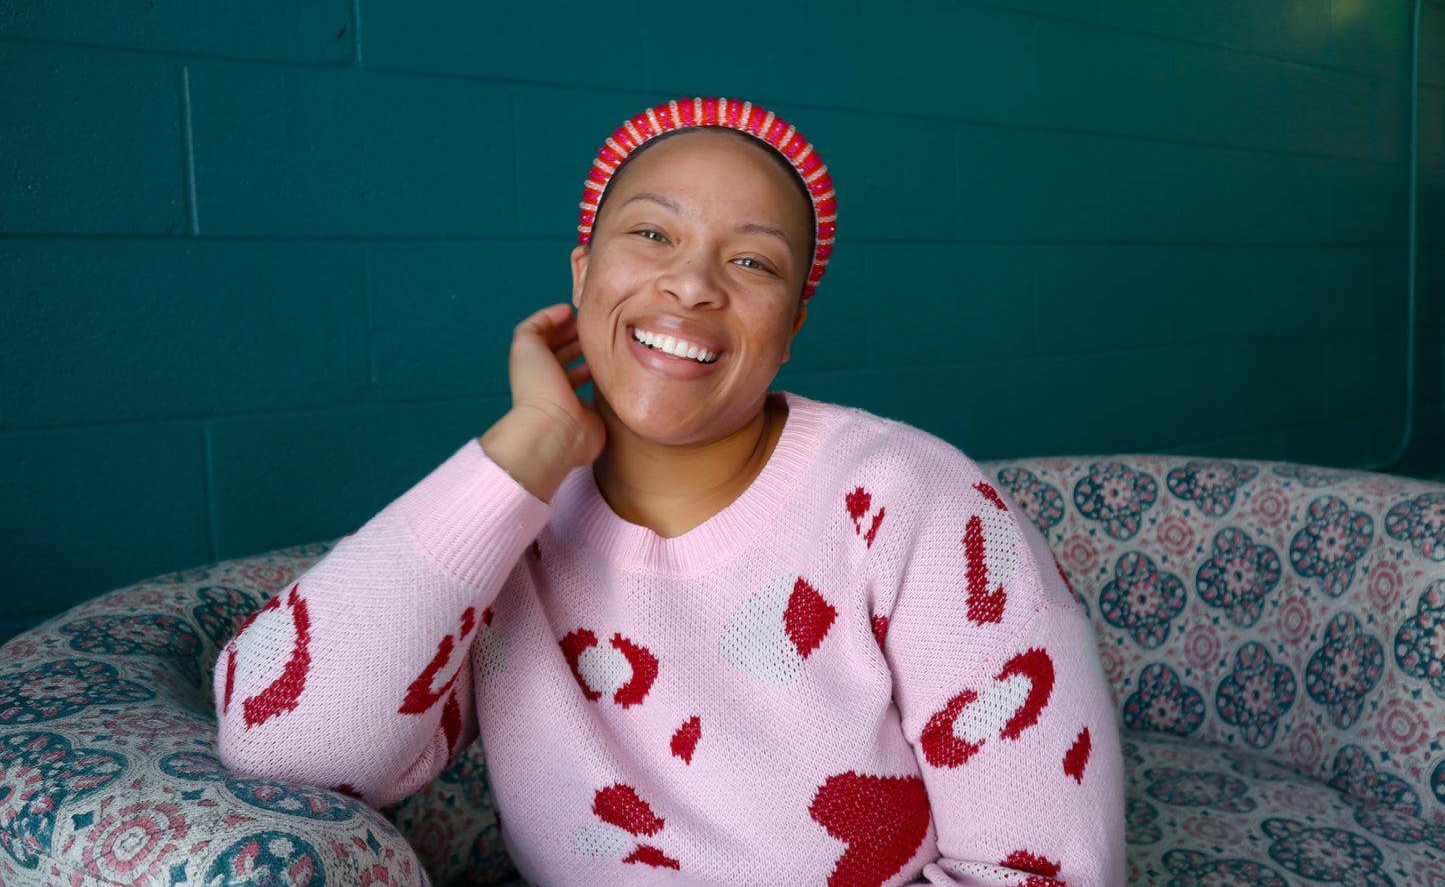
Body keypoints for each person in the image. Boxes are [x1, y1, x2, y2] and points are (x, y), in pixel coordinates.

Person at [215, 98, 1125, 886]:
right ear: (582, 275)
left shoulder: (917, 500)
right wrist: (529, 444)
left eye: (753, 263)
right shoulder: (508, 521)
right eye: (652, 234)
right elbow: (280, 744)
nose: (690, 284)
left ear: (790, 328)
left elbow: (1045, 868)